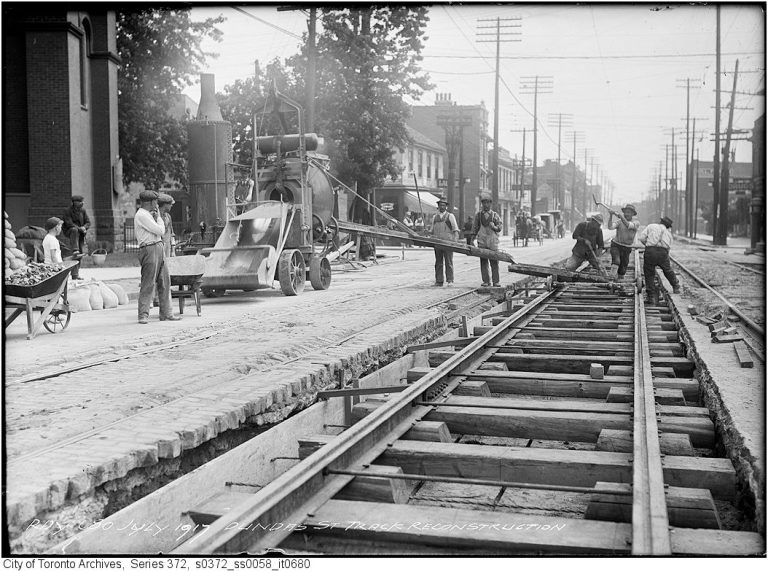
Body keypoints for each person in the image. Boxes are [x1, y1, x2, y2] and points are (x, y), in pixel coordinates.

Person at [134, 190, 181, 324]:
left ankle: (166, 313)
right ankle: (143, 315)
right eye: (155, 201)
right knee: (148, 283)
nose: (156, 204)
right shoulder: (142, 215)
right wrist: (159, 217)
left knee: (165, 282)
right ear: (149, 202)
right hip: (149, 248)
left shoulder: (149, 214)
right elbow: (160, 231)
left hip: (158, 246)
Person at [639, 215, 681, 305]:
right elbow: (669, 247)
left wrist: (648, 245)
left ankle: (651, 296)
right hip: (663, 252)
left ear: (660, 222)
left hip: (650, 251)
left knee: (649, 272)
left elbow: (642, 238)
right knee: (667, 270)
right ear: (668, 226)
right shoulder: (669, 233)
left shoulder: (651, 226)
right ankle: (676, 286)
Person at [472, 193, 502, 287]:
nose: (485, 205)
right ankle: (486, 281)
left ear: (490, 204)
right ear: (482, 204)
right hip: (482, 241)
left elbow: (500, 227)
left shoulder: (495, 215)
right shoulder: (478, 215)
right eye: (484, 203)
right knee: (483, 262)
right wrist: (472, 239)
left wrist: (495, 227)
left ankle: (496, 281)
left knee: (494, 262)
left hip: (492, 241)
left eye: (487, 203)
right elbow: (475, 228)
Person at [429, 195, 459, 286]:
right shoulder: (435, 217)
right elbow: (432, 230)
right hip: (437, 243)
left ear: (446, 206)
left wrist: (455, 241)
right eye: (440, 205)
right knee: (438, 262)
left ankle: (450, 280)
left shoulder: (450, 216)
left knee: (449, 262)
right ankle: (439, 281)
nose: (442, 207)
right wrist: (428, 232)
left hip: (448, 243)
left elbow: (455, 229)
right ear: (438, 206)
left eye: (443, 205)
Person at [608, 203, 640, 281]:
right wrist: (611, 215)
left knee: (623, 268)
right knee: (616, 261)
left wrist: (621, 216)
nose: (626, 214)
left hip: (627, 248)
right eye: (625, 212)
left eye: (629, 212)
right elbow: (610, 227)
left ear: (633, 214)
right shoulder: (619, 221)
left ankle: (619, 282)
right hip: (616, 245)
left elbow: (628, 225)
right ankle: (611, 280)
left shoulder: (636, 223)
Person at [62, 195, 90, 278]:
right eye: (81, 201)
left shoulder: (83, 211)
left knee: (79, 255)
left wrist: (84, 227)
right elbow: (69, 223)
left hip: (80, 234)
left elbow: (88, 222)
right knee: (74, 229)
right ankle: (75, 249)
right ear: (75, 202)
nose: (83, 203)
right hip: (70, 231)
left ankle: (75, 274)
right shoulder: (67, 211)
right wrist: (80, 228)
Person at [157, 193, 176, 258]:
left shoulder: (168, 216)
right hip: (158, 248)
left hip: (167, 248)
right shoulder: (154, 216)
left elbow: (171, 234)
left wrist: (173, 251)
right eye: (170, 204)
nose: (171, 206)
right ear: (165, 205)